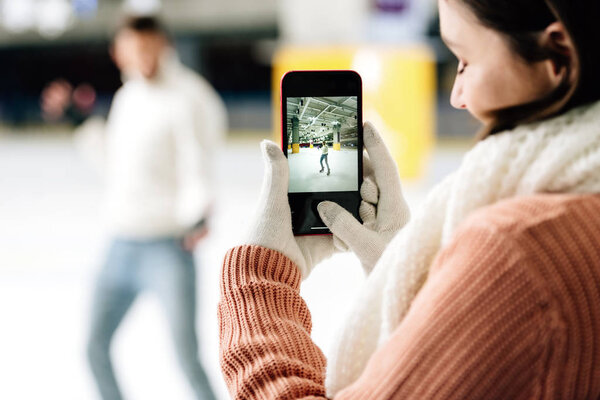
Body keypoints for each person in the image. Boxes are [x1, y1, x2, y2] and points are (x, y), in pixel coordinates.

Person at [218, 0, 600, 398]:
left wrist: (258, 279)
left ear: (556, 55)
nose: (457, 96)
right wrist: (404, 273)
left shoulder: (518, 248)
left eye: (465, 60)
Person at [80, 16, 225, 400]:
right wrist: (84, 125)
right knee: (94, 347)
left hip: (167, 247)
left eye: (149, 46)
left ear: (164, 45)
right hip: (121, 243)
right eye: (133, 48)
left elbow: (200, 165)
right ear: (118, 53)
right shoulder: (128, 97)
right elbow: (117, 168)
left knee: (186, 358)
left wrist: (199, 213)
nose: (142, 56)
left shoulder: (188, 96)